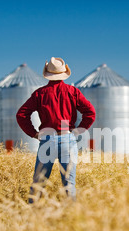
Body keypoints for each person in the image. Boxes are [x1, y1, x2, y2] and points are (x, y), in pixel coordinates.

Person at [16, 57, 96, 203]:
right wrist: (78, 131)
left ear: (47, 73)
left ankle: (31, 215)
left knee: (39, 183)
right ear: (64, 72)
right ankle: (72, 215)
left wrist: (33, 133)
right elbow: (90, 112)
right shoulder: (73, 92)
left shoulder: (40, 94)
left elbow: (21, 114)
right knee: (69, 184)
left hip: (47, 139)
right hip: (67, 138)